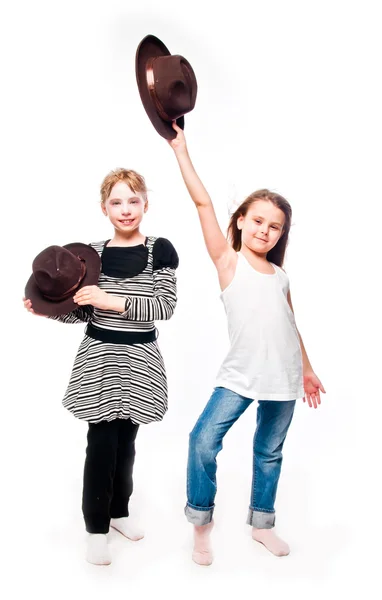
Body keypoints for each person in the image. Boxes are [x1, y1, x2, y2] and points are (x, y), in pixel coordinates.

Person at [168, 123, 325, 566]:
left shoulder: (281, 277)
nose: (265, 231)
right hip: (240, 374)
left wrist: (308, 370)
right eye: (258, 220)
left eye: (275, 227)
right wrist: (181, 149)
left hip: (285, 377)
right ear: (240, 221)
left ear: (281, 235)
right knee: (202, 441)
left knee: (269, 451)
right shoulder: (228, 260)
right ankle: (202, 526)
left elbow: (292, 326)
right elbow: (202, 202)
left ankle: (262, 524)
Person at [23, 168, 179, 565]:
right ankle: (95, 529)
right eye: (116, 202)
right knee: (101, 443)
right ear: (103, 207)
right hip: (100, 359)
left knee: (127, 442)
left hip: (141, 358)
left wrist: (112, 300)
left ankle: (118, 513)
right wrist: (49, 313)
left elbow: (164, 307)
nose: (125, 210)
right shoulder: (87, 254)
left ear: (146, 203)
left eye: (133, 201)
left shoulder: (159, 249)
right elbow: (81, 313)